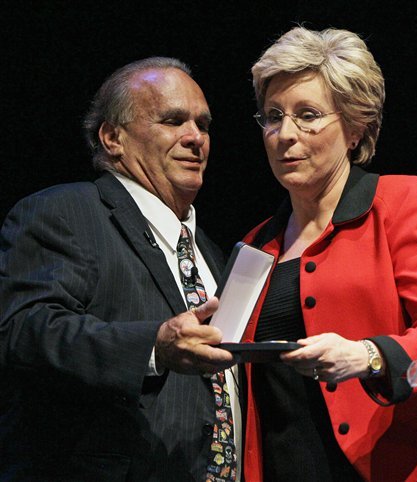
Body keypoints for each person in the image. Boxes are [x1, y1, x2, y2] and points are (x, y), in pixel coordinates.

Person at [240, 27, 417, 481]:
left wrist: (370, 356)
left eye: (308, 115)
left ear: (355, 129)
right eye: (273, 116)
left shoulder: (403, 202)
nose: (285, 134)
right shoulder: (253, 245)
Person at [0, 57, 240, 481]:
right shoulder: (65, 212)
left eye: (203, 124)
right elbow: (24, 331)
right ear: (113, 138)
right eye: (173, 120)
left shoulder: (212, 252)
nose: (195, 138)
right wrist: (154, 346)